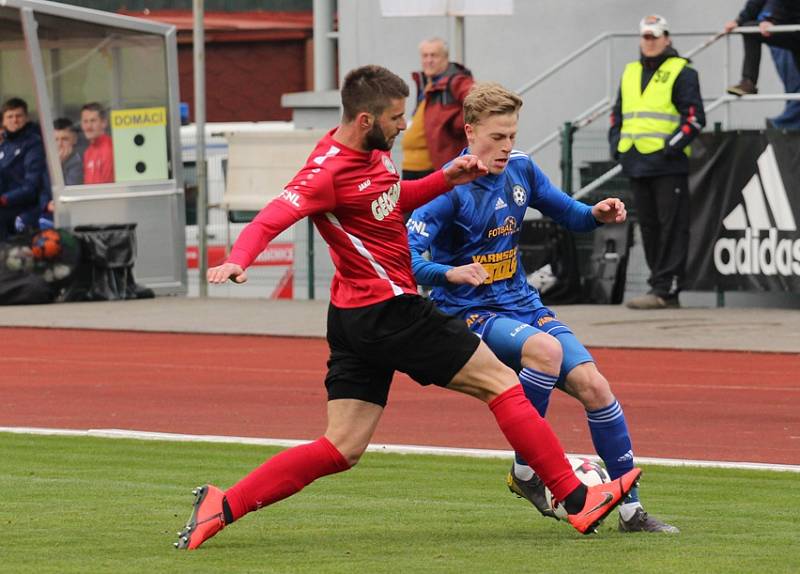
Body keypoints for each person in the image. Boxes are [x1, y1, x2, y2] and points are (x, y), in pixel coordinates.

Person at [175, 65, 641, 551]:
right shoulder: (326, 171)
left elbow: (398, 201)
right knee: (504, 384)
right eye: (397, 117)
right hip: (391, 309)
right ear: (363, 119)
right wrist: (237, 259)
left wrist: (445, 176)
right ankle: (575, 497)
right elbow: (274, 215)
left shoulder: (375, 156)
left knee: (342, 446)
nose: (405, 126)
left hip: (353, 319)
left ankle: (222, 505)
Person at [407, 82, 678, 534]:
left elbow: (567, 213)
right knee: (545, 353)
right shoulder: (447, 188)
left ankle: (630, 510)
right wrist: (447, 274)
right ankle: (528, 470)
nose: (506, 146)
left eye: (512, 135)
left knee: (595, 385)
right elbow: (408, 257)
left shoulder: (522, 170)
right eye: (497, 137)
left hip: (522, 303)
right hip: (472, 310)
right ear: (470, 132)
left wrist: (595, 213)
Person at [609, 15, 705, 310]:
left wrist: (670, 148)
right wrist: (617, 146)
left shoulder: (682, 71)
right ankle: (658, 284)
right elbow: (618, 114)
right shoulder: (630, 71)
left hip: (667, 164)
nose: (649, 42)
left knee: (672, 226)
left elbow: (695, 118)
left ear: (667, 38)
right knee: (648, 226)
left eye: (654, 36)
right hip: (636, 159)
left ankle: (666, 287)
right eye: (645, 37)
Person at [401, 37, 474, 180]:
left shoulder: (456, 80)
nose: (429, 60)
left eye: (434, 55)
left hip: (436, 168)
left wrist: (457, 123)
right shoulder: (426, 82)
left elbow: (478, 101)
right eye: (425, 56)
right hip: (412, 167)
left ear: (445, 58)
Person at [15, 118, 83, 232]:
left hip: (70, 209)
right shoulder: (48, 160)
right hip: (50, 205)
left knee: (45, 222)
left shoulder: (78, 161)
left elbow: (70, 189)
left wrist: (59, 167)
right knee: (21, 221)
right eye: (56, 139)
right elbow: (44, 189)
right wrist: (46, 204)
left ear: (74, 140)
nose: (60, 144)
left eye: (65, 139)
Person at [725, 0, 800, 96]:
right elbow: (756, 2)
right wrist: (738, 21)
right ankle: (748, 82)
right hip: (791, 27)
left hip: (792, 25)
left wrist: (772, 20)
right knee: (750, 30)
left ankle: (749, 82)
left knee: (751, 30)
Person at [0, 98, 48, 240]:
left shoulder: (33, 144)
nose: (15, 120)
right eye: (10, 116)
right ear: (3, 121)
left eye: (19, 116)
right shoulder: (5, 145)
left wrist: (3, 199)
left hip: (24, 204)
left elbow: (31, 186)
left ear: (26, 118)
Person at [80, 102, 114, 184]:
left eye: (93, 121)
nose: (88, 126)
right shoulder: (87, 153)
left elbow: (107, 188)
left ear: (104, 123)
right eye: (85, 121)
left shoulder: (111, 148)